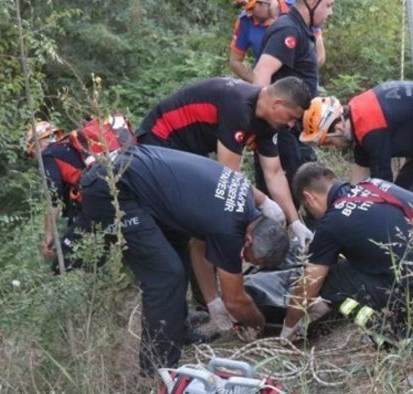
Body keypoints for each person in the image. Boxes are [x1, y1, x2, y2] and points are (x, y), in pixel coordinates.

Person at [80, 144, 289, 373]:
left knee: (177, 245)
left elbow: (197, 248)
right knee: (166, 276)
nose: (243, 259)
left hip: (136, 172)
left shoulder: (246, 201)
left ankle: (178, 331)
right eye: (249, 258)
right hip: (110, 186)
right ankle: (158, 366)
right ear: (248, 240)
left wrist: (212, 301)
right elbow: (236, 300)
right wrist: (260, 325)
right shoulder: (229, 229)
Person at [280, 162, 413, 343]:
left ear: (309, 197)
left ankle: (399, 336)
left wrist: (288, 327)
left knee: (329, 279)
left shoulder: (331, 223)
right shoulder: (374, 185)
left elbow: (309, 285)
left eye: (307, 208)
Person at [135, 77, 314, 243]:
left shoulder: (270, 122)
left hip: (190, 151)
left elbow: (273, 173)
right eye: (291, 117)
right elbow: (228, 175)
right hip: (160, 141)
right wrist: (263, 202)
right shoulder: (238, 106)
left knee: (202, 223)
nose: (291, 124)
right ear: (277, 104)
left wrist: (294, 221)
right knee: (183, 221)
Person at [299, 81, 413, 198]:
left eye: (329, 143)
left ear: (337, 128)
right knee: (404, 194)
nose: (334, 148)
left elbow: (383, 188)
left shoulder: (372, 131)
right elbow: (358, 180)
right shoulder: (357, 117)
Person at [251, 0, 334, 200]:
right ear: (312, 2)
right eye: (329, 5)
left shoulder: (302, 29)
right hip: (282, 129)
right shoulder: (287, 29)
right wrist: (259, 125)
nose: (330, 13)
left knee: (300, 189)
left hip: (297, 129)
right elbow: (261, 73)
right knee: (282, 192)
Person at [24, 121, 88, 273]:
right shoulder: (70, 146)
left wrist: (49, 236)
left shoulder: (47, 155)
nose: (35, 156)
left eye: (33, 151)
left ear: (38, 144)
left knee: (62, 263)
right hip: (105, 192)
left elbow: (54, 197)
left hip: (93, 201)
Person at [229, 0, 326, 83]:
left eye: (251, 8)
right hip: (268, 89)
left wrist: (297, 80)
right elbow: (235, 62)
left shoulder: (299, 9)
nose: (248, 13)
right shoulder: (245, 21)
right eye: (244, 8)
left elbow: (319, 57)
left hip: (302, 86)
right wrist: (257, 79)